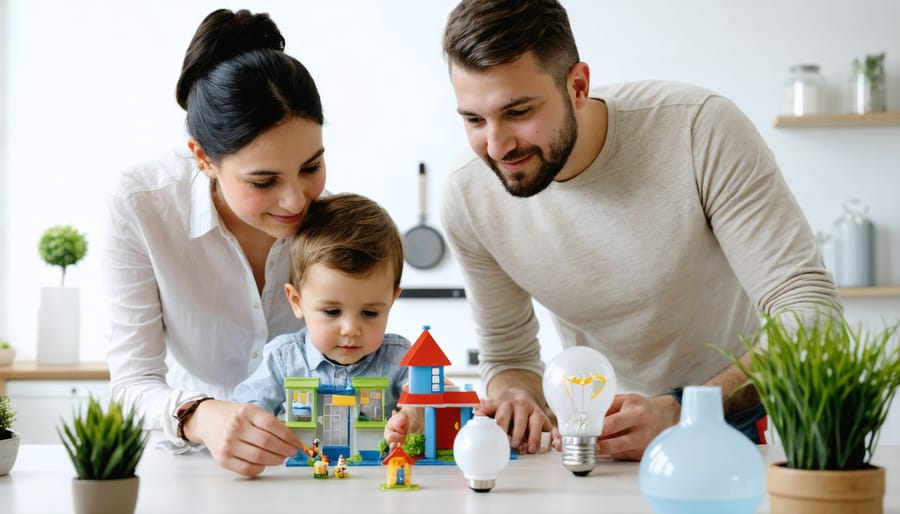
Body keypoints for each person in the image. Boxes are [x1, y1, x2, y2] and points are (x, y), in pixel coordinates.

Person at [434, 0, 840, 459]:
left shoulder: (698, 130)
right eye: (473, 119)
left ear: (578, 86)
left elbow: (811, 314)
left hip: (736, 418)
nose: (495, 145)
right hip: (596, 436)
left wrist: (683, 410)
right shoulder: (468, 194)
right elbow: (508, 356)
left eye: (519, 111)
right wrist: (515, 399)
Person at [104, 8, 327, 477]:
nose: (295, 200)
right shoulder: (144, 205)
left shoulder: (333, 220)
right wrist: (199, 415)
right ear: (204, 159)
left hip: (313, 465)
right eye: (264, 181)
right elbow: (132, 383)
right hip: (188, 468)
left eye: (310, 167)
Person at [232, 193, 411, 425]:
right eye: (332, 312)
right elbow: (248, 407)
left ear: (391, 301)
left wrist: (411, 414)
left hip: (378, 462)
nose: (350, 329)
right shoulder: (284, 359)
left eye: (369, 313)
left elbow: (430, 398)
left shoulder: (400, 358)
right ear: (297, 301)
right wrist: (259, 423)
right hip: (309, 459)